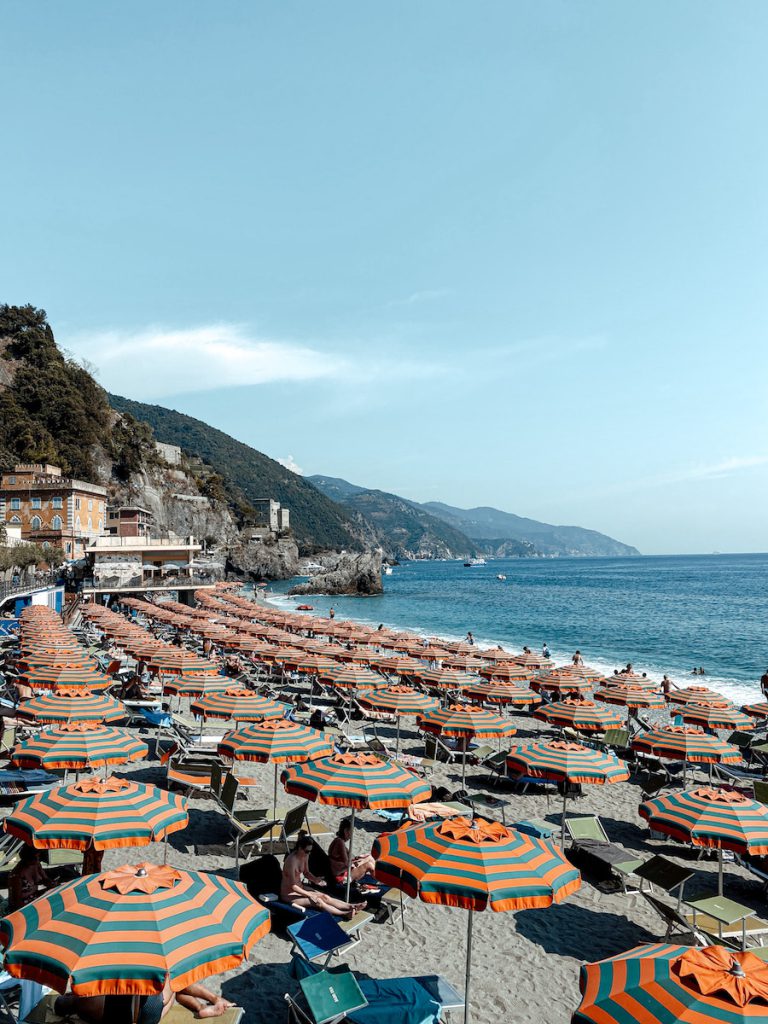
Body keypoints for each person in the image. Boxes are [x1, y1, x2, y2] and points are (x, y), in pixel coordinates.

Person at [281, 835, 364, 918]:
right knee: (318, 901)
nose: (308, 853)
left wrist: (315, 879)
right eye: (307, 851)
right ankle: (344, 914)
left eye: (310, 851)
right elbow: (293, 886)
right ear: (299, 848)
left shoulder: (305, 855)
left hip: (301, 887)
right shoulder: (291, 861)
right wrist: (310, 895)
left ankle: (350, 906)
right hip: (289, 894)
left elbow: (306, 872)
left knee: (325, 897)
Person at [328, 818, 376, 886]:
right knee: (369, 864)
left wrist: (359, 859)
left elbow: (345, 860)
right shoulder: (340, 843)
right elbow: (348, 864)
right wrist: (360, 862)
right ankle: (381, 880)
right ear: (345, 831)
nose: (351, 835)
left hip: (341, 871)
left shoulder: (337, 840)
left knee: (368, 857)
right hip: (342, 877)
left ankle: (380, 878)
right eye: (351, 831)